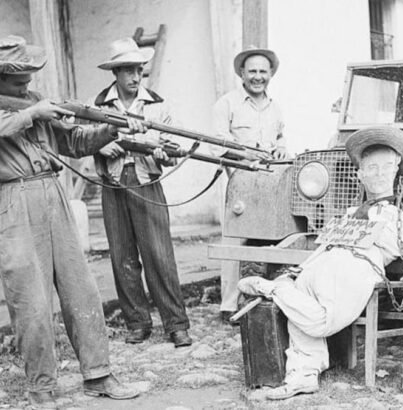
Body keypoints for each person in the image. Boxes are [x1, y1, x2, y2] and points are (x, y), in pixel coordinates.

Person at [237, 126, 403, 400]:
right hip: (323, 264)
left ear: (396, 171)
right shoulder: (349, 214)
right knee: (298, 300)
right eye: (371, 169)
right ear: (359, 174)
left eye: (386, 167)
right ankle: (303, 374)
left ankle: (271, 289)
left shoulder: (395, 217)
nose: (378, 174)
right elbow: (323, 247)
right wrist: (297, 272)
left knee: (320, 322)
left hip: (355, 270)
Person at [0, 35, 140, 408]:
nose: (26, 85)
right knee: (31, 301)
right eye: (18, 80)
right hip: (13, 199)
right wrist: (34, 112)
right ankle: (41, 388)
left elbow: (75, 143)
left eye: (28, 78)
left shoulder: (35, 102)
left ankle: (98, 374)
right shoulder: (29, 108)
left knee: (81, 289)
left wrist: (112, 128)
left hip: (53, 192)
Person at [92, 38, 192, 347]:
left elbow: (174, 148)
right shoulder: (97, 105)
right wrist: (99, 146)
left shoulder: (157, 105)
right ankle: (137, 323)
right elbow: (79, 140)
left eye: (139, 70)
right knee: (123, 257)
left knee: (159, 256)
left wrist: (164, 154)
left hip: (147, 182)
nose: (135, 77)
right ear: (115, 73)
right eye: (128, 71)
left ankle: (176, 325)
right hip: (113, 184)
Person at [212, 46, 287, 323]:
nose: (258, 77)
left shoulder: (275, 107)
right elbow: (217, 145)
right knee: (234, 243)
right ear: (242, 73)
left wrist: (280, 149)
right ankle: (229, 305)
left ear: (271, 74)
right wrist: (246, 154)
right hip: (241, 183)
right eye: (252, 71)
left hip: (271, 185)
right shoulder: (227, 104)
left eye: (263, 72)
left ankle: (267, 300)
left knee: (274, 241)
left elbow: (280, 138)